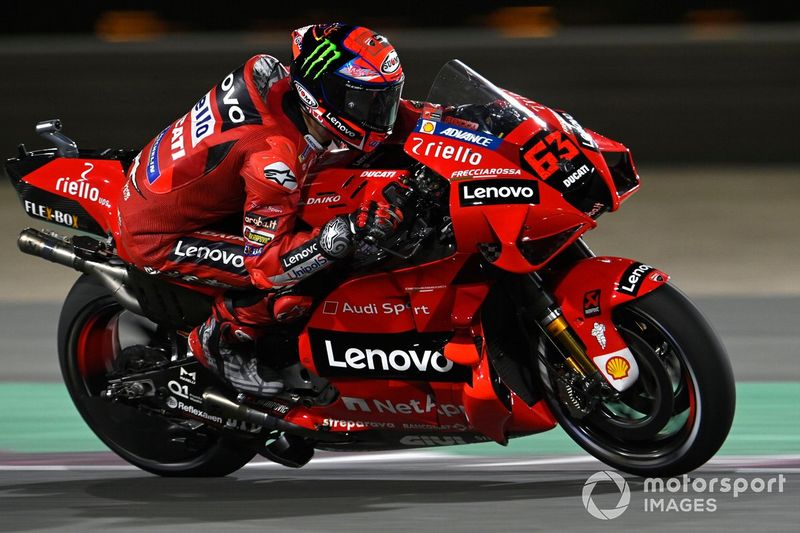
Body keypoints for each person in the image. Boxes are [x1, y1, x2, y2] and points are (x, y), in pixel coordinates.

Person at [116, 23, 421, 397]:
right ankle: (220, 341)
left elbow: (395, 119)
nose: (380, 115)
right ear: (322, 97)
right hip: (160, 234)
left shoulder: (271, 74)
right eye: (367, 103)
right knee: (301, 279)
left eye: (385, 100)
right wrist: (343, 233)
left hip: (184, 189)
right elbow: (268, 267)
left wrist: (456, 122)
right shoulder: (275, 161)